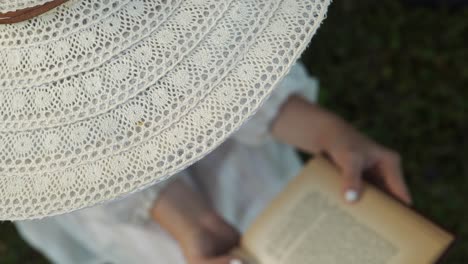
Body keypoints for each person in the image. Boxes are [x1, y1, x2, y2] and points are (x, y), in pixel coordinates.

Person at [16, 63, 411, 264]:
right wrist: (187, 220)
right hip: (89, 184)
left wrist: (329, 133)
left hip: (215, 135)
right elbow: (43, 161)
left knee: (272, 216)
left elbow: (220, 57)